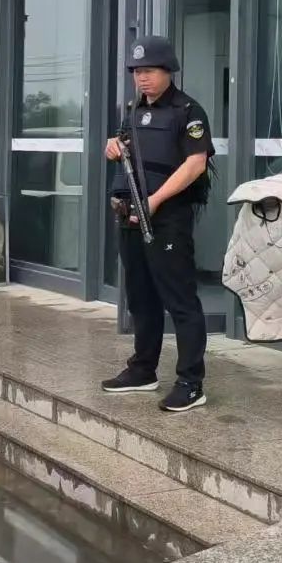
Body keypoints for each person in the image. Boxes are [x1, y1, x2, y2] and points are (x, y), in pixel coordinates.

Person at [100, 36, 215, 413]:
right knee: (140, 297)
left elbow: (195, 164)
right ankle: (142, 369)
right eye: (136, 72)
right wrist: (113, 146)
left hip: (167, 219)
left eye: (149, 71)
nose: (142, 78)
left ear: (169, 70)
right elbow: (124, 146)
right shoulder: (133, 110)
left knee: (180, 299)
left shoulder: (188, 111)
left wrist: (155, 200)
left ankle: (191, 382)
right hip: (131, 216)